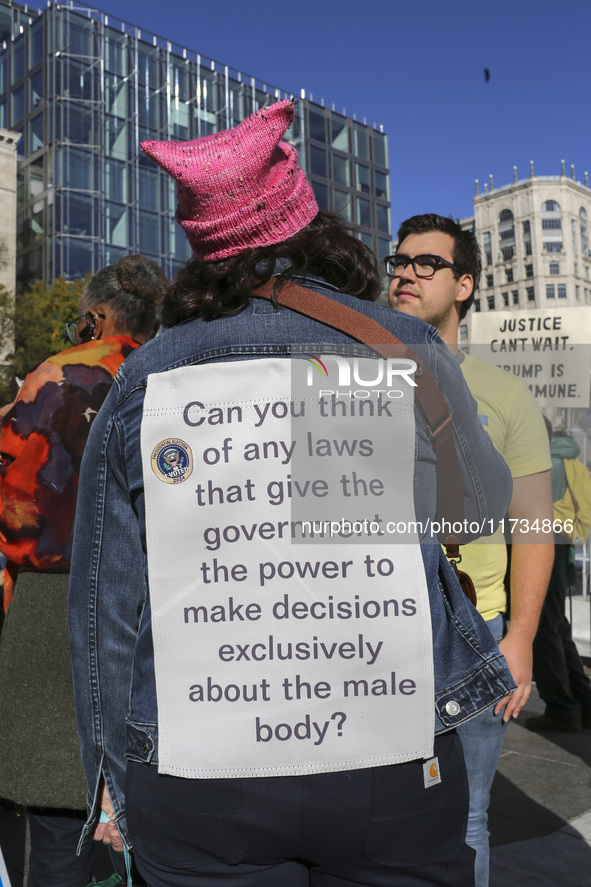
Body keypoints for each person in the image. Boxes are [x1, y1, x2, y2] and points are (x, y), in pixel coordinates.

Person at [69, 101, 515, 887]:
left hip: (198, 772)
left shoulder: (146, 375)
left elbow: (106, 600)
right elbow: (478, 508)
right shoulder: (401, 344)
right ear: (311, 225)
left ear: (201, 248)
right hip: (388, 753)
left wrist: (108, 772)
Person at [387, 213, 554, 887]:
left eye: (425, 263)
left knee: (467, 820)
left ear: (464, 285)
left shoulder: (505, 393)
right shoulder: (348, 378)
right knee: (376, 822)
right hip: (377, 634)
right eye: (398, 259)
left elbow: (533, 526)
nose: (404, 270)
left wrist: (520, 637)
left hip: (476, 633)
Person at [0, 255, 166, 887]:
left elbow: (13, 500)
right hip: (155, 606)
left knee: (54, 828)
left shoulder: (58, 375)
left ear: (95, 317)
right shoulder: (173, 376)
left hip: (54, 608)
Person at [527, 424, 591, 732]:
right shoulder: (568, 459)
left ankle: (561, 708)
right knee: (558, 627)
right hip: (561, 548)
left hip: (541, 548)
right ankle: (583, 703)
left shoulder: (544, 463)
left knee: (543, 630)